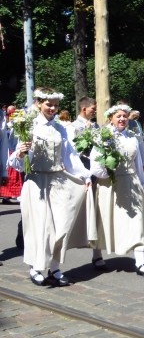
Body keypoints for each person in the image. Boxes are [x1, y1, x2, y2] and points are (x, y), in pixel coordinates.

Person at [8, 88, 91, 286]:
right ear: (38, 103)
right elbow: (15, 162)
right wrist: (21, 153)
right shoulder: (28, 126)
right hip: (36, 182)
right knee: (40, 228)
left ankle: (54, 266)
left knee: (62, 225)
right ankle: (36, 267)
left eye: (55, 105)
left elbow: (69, 155)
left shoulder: (60, 128)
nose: (53, 108)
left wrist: (84, 176)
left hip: (57, 181)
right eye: (48, 104)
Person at [89, 104, 144, 277]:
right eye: (118, 116)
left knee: (136, 220)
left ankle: (140, 261)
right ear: (111, 118)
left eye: (125, 116)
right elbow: (95, 165)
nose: (122, 119)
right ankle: (97, 254)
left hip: (131, 182)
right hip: (109, 183)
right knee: (104, 219)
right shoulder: (103, 136)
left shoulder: (132, 137)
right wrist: (106, 170)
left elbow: (138, 163)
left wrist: (143, 183)